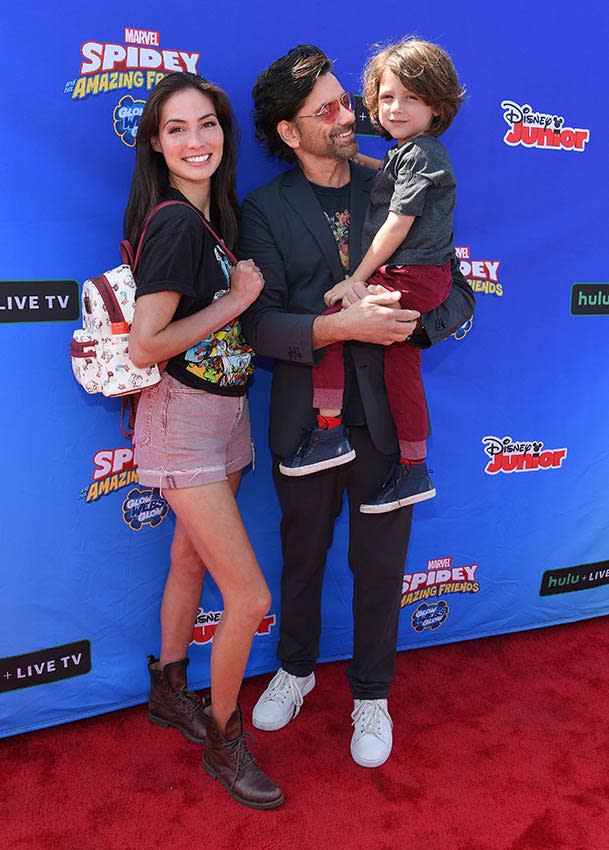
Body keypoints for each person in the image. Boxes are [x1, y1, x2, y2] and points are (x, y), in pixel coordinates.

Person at [239, 45, 474, 768]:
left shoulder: (401, 174)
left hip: (386, 424)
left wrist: (408, 322)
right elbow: (257, 324)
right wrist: (339, 325)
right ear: (289, 131)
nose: (353, 117)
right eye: (329, 110)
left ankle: (371, 694)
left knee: (380, 566)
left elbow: (456, 291)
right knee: (302, 560)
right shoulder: (263, 209)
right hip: (305, 419)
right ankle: (296, 669)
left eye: (350, 103)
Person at [125, 72, 282, 809]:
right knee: (247, 598)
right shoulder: (177, 223)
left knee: (189, 559)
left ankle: (166, 688)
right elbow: (144, 348)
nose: (197, 141)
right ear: (155, 144)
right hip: (182, 419)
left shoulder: (206, 219)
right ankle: (225, 740)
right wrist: (238, 298)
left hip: (227, 415)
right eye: (177, 129)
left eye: (207, 124)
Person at [279, 38, 465, 516]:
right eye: (386, 97)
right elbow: (391, 172)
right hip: (418, 274)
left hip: (414, 274)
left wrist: (355, 279)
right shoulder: (410, 154)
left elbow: (397, 222)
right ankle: (414, 466)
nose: (396, 108)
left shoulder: (422, 153)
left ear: (438, 106)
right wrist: (357, 160)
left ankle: (328, 430)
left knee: (339, 314)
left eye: (412, 98)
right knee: (402, 365)